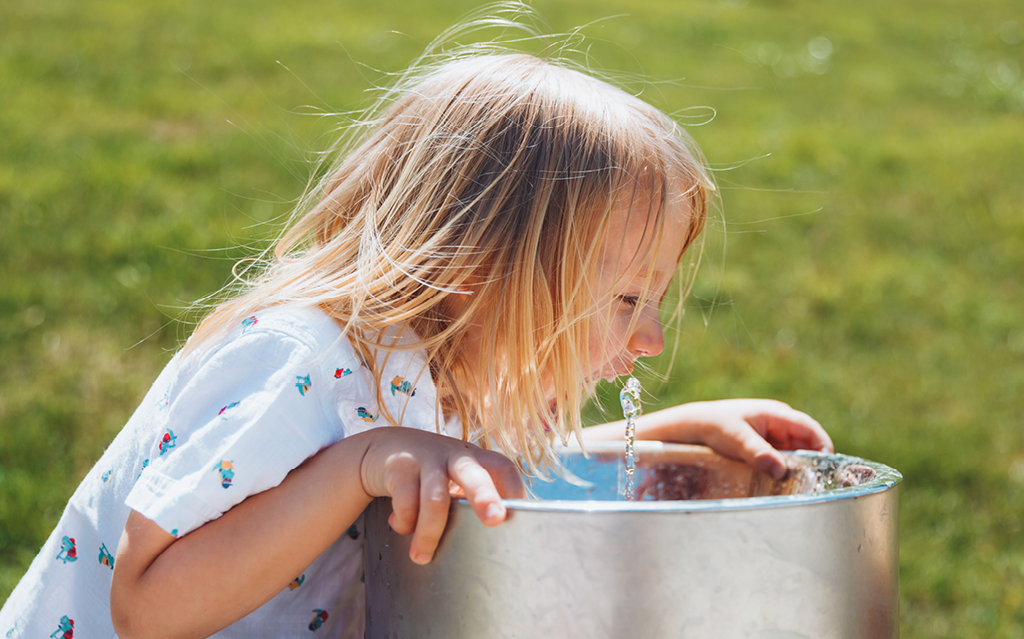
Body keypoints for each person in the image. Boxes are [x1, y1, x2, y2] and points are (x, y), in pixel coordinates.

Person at [0, 51, 832, 638]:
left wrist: (669, 431)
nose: (649, 336)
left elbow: (470, 473)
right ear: (476, 270)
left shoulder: (434, 369)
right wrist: (359, 462)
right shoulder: (297, 363)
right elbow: (145, 608)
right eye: (625, 297)